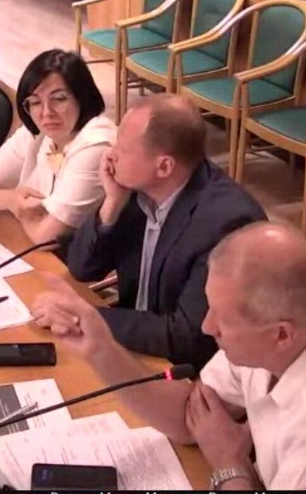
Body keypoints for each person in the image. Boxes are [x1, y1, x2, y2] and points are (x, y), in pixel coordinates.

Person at [32, 222, 306, 491]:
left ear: (281, 335)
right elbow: (191, 416)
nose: (207, 327)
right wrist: (103, 351)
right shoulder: (301, 320)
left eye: (222, 320)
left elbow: (214, 441)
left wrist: (229, 466)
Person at [60, 94, 265, 367]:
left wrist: (85, 317)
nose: (111, 155)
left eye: (124, 149)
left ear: (164, 166)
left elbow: (187, 337)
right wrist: (111, 205)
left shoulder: (226, 224)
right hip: (132, 339)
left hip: (180, 367)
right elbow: (82, 268)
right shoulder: (135, 189)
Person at [0, 50, 116, 244]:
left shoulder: (96, 144)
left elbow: (48, 237)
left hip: (75, 258)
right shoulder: (36, 132)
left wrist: (20, 212)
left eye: (59, 99)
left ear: (82, 97)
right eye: (35, 102)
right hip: (30, 244)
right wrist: (12, 200)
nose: (46, 112)